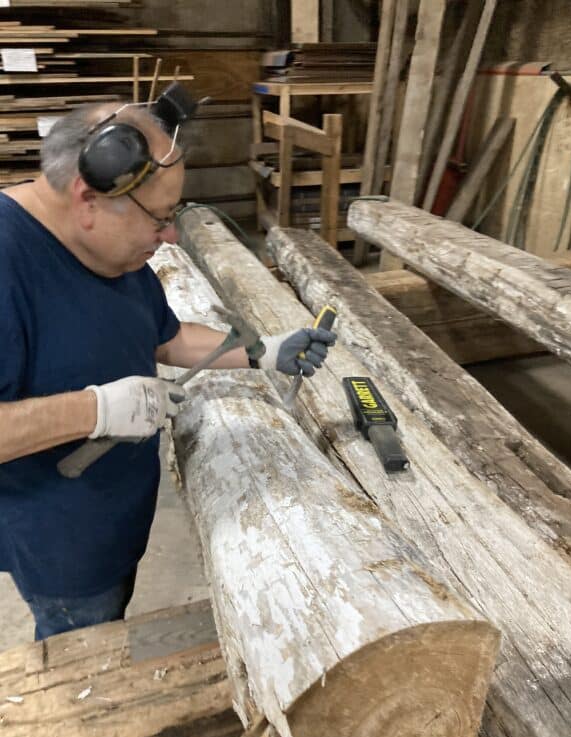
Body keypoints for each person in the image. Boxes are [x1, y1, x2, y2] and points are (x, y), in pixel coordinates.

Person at [0, 100, 337, 641]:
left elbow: (169, 337)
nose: (171, 237)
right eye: (159, 218)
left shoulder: (114, 252)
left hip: (114, 517)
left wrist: (265, 351)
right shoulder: (8, 257)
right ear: (89, 198)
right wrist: (98, 409)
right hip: (62, 545)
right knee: (88, 659)